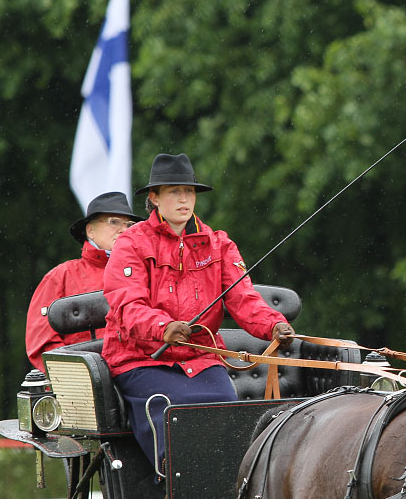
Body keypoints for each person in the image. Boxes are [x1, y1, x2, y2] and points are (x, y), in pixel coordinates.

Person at [102, 153, 296, 473]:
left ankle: (228, 485)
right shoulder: (130, 244)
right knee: (173, 411)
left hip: (202, 357)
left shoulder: (219, 244)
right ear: (154, 198)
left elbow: (244, 298)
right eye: (174, 191)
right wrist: (163, 327)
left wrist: (273, 325)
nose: (184, 199)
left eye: (189, 191)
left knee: (225, 410)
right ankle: (173, 480)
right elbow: (127, 304)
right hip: (143, 358)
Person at [25, 192, 141, 371]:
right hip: (83, 380)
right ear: (90, 231)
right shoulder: (61, 276)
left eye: (129, 224)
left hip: (138, 373)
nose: (123, 229)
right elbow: (42, 343)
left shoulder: (144, 273)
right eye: (114, 221)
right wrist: (80, 375)